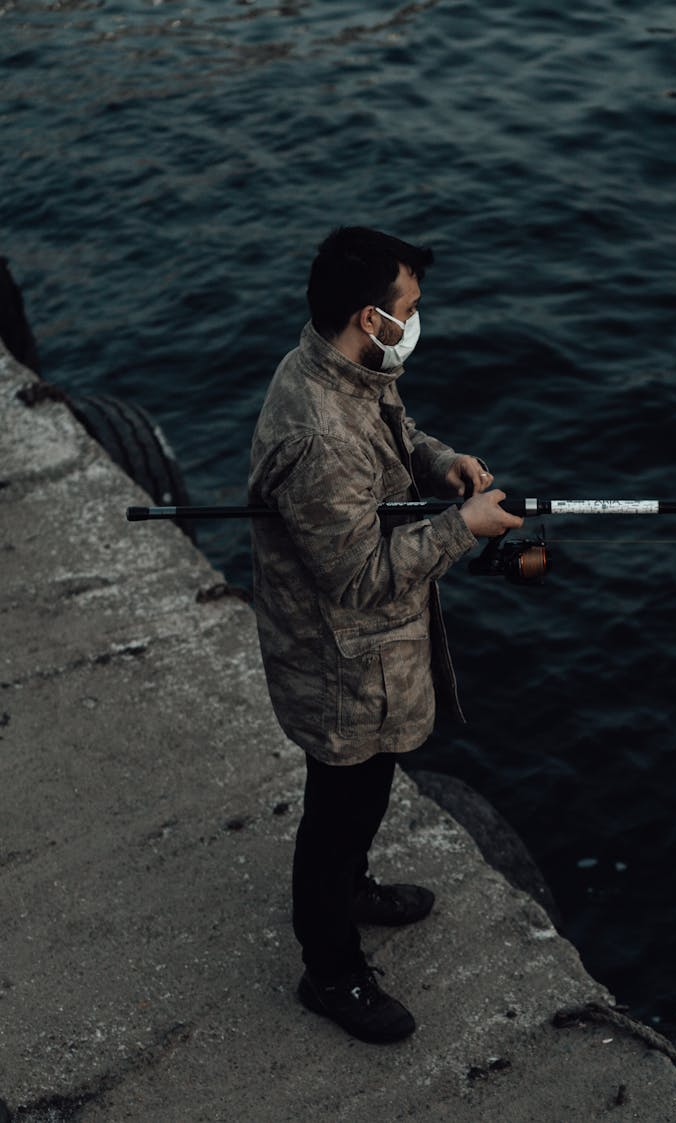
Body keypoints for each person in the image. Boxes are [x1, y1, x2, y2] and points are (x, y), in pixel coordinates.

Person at [248, 226, 522, 1044]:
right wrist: (462, 526)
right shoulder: (317, 437)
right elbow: (360, 577)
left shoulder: (343, 363)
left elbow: (394, 436)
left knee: (363, 795)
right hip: (341, 666)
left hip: (370, 658)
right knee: (337, 808)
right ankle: (330, 969)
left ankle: (354, 887)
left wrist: (442, 465)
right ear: (372, 316)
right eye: (410, 308)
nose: (417, 319)